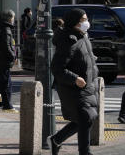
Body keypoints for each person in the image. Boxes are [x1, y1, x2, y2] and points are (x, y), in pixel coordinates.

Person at [49, 8, 99, 155]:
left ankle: (56, 139)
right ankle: (85, 152)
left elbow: (85, 57)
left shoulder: (83, 36)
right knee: (86, 117)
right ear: (75, 22)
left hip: (87, 85)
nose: (86, 22)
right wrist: (75, 78)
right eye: (83, 20)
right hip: (73, 87)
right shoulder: (68, 40)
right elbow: (57, 67)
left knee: (85, 119)